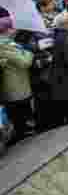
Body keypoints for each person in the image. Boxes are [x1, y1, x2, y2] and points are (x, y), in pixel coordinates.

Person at [0, 14, 34, 142]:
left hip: (20, 84)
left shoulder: (11, 42)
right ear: (7, 30)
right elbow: (24, 62)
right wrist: (28, 52)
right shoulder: (3, 45)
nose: (15, 30)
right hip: (14, 86)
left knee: (23, 113)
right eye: (12, 27)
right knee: (19, 116)